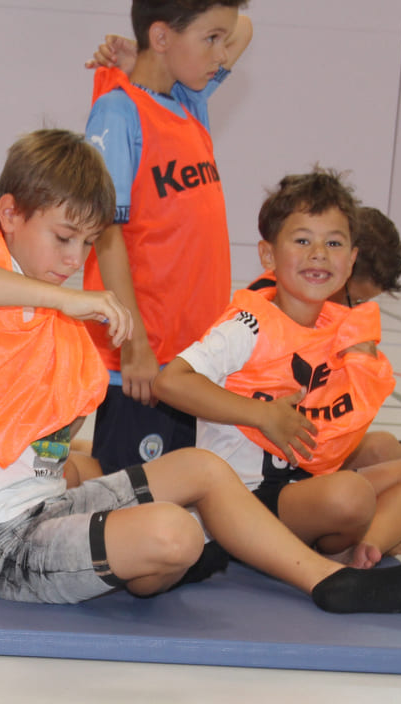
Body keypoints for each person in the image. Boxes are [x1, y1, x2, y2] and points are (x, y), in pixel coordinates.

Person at [0, 128, 401, 613]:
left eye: (87, 244)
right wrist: (64, 300)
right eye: (64, 237)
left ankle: (330, 582)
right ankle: (176, 553)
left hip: (50, 508)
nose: (74, 261)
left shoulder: (48, 320)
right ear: (9, 215)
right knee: (176, 534)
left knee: (203, 468)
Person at [153, 169, 401, 570]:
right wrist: (261, 414)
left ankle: (362, 552)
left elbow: (340, 428)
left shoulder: (338, 329)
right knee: (351, 495)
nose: (319, 253)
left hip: (300, 489)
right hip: (240, 497)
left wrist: (360, 360)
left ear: (351, 259)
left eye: (334, 243)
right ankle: (338, 548)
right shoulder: (248, 325)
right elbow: (170, 381)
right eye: (303, 240)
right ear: (269, 255)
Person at [81, 1, 252, 475]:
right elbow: (106, 235)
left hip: (192, 364)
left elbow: (247, 28)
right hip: (142, 365)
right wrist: (133, 344)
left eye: (222, 40)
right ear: (161, 37)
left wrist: (145, 53)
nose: (221, 54)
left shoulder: (188, 102)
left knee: (187, 496)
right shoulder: (118, 110)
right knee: (129, 505)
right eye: (210, 40)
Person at [248, 206, 401, 488]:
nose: (355, 311)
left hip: (313, 447)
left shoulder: (329, 317)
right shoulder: (272, 308)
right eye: (355, 301)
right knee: (389, 455)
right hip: (274, 458)